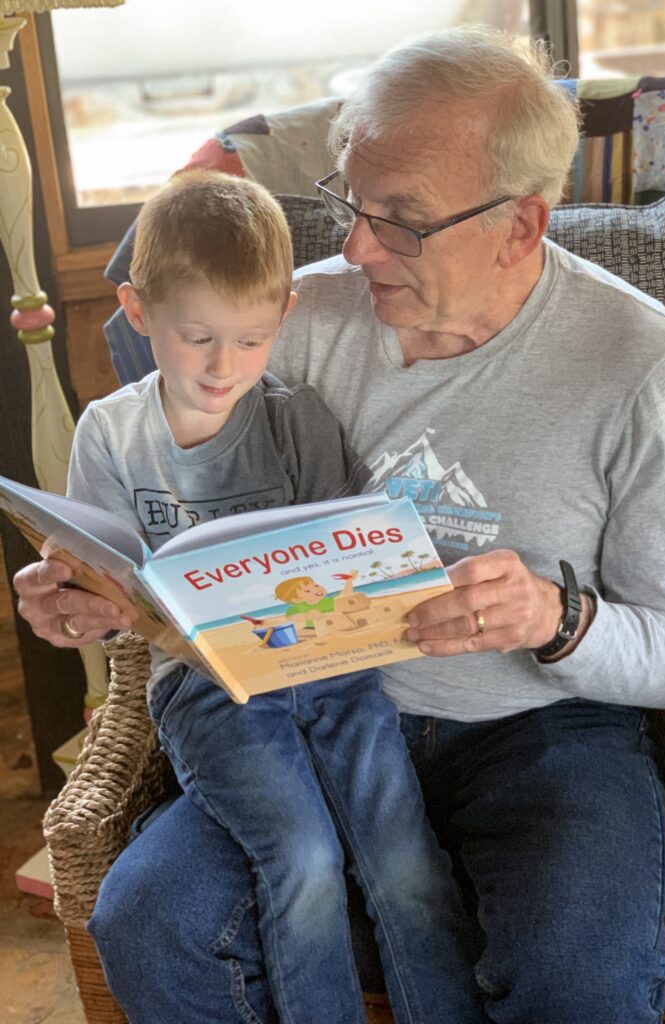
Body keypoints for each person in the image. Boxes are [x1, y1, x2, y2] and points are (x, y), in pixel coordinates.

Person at [14, 25, 665, 1024]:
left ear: (519, 226)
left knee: (584, 971)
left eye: (399, 220)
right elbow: (153, 489)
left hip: (538, 727)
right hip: (302, 709)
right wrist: (82, 584)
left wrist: (553, 618)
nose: (350, 247)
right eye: (347, 202)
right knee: (149, 917)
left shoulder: (643, 368)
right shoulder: (293, 320)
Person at [57, 168, 486, 1024]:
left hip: (336, 675)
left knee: (407, 868)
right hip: (211, 690)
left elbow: (346, 564)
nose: (226, 366)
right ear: (138, 313)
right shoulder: (110, 434)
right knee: (301, 858)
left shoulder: (298, 420)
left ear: (284, 318)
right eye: (199, 337)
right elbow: (98, 588)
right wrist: (84, 594)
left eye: (251, 341)